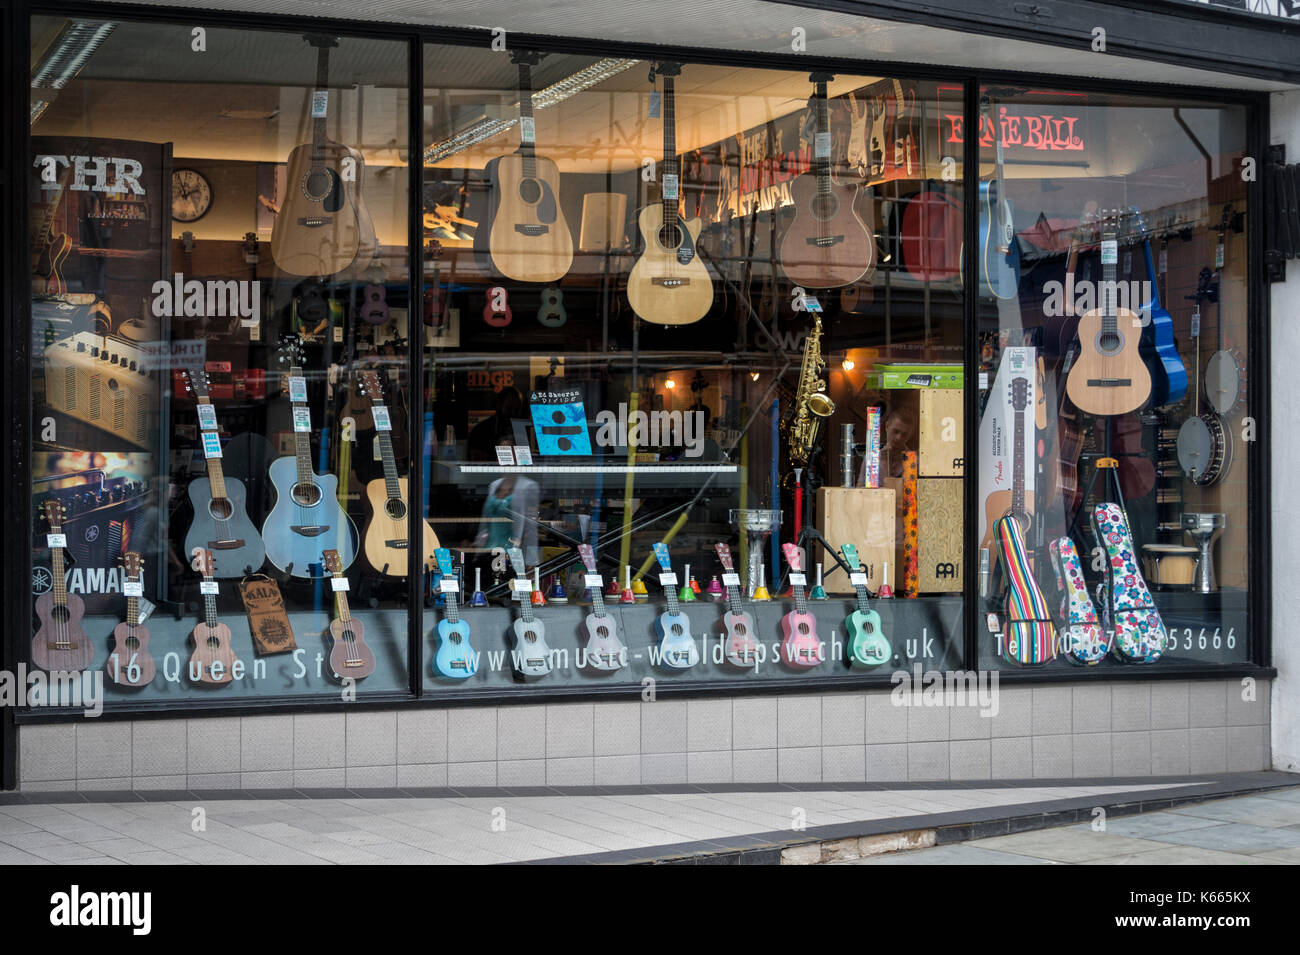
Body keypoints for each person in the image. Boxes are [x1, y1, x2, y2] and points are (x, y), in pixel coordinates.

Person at [473, 434, 540, 567]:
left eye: (510, 453)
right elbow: (486, 523)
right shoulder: (494, 486)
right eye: (502, 453)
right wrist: (476, 548)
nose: (506, 457)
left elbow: (530, 528)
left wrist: (530, 562)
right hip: (490, 553)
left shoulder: (528, 487)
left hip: (513, 556)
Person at [467, 385, 524, 461]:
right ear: (499, 406)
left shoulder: (521, 432)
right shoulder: (480, 431)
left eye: (517, 410)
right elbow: (478, 465)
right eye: (508, 408)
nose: (513, 414)